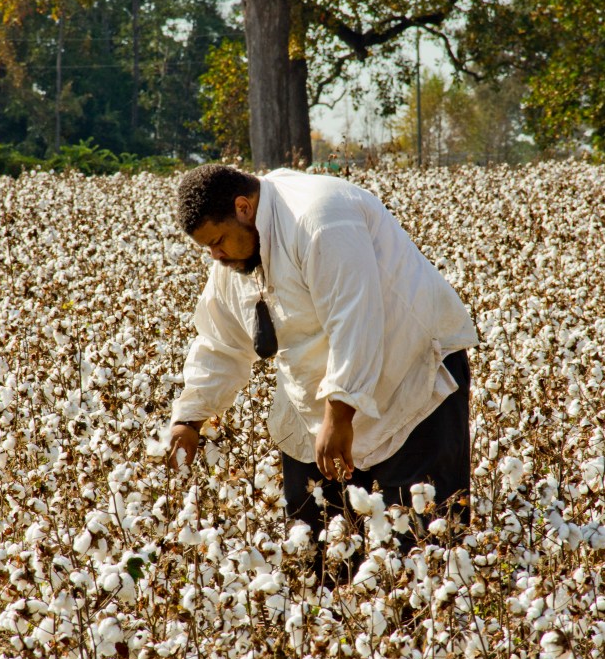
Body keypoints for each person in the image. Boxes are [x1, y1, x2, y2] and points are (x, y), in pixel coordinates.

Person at [168, 164, 478, 573]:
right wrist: (189, 418)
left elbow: (357, 317)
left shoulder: (320, 219)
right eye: (207, 247)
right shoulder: (235, 260)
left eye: (218, 241)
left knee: (423, 543)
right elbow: (220, 342)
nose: (215, 255)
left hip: (411, 375)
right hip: (319, 399)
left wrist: (341, 409)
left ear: (243, 207)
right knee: (319, 552)